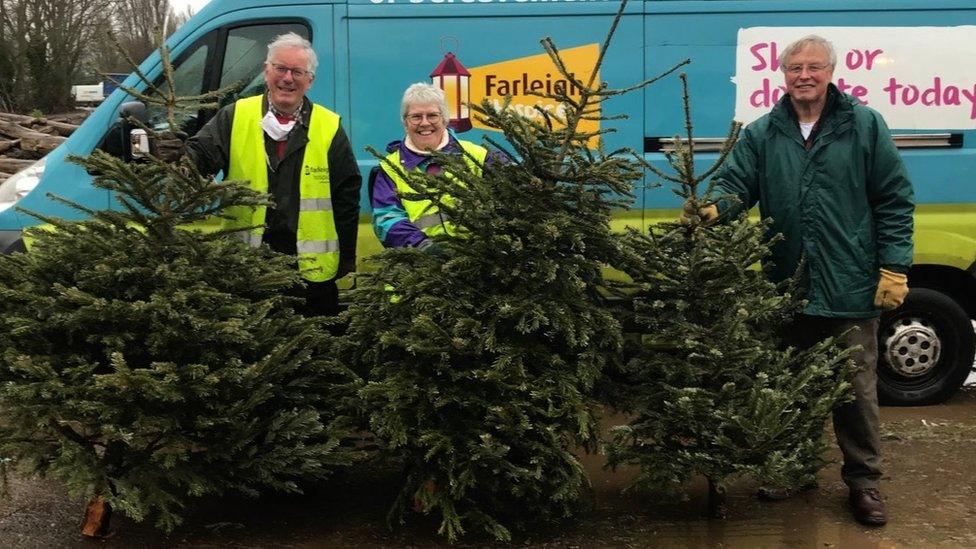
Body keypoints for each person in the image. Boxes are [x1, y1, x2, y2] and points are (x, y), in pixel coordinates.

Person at [697, 35, 915, 526]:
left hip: (850, 285)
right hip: (787, 284)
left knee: (855, 392)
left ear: (830, 71)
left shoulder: (863, 126)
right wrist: (714, 207)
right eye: (795, 67)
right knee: (791, 385)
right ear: (783, 74)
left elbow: (894, 199)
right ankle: (795, 470)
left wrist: (894, 265)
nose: (804, 75)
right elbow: (735, 186)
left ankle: (865, 484)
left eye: (814, 67)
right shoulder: (763, 132)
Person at [182, 32, 361, 316]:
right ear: (267, 71)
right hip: (247, 268)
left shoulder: (329, 126)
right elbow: (198, 158)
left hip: (310, 272)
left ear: (309, 80)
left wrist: (346, 259)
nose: (287, 78)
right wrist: (177, 158)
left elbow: (347, 197)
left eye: (297, 72)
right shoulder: (234, 116)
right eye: (280, 68)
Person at [370, 83, 500, 252]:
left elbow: (511, 192)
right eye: (416, 117)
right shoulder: (390, 169)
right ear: (405, 122)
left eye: (432, 115)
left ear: (444, 119)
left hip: (477, 261)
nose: (425, 123)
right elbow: (386, 221)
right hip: (417, 266)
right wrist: (424, 246)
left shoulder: (477, 156)